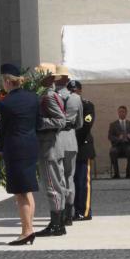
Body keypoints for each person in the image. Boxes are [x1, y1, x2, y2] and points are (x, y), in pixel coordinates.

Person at [0, 64, 39, 246]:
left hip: (14, 148)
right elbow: (39, 122)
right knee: (27, 189)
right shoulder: (34, 98)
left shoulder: (5, 103)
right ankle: (29, 228)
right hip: (30, 146)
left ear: (7, 81)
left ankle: (26, 231)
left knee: (20, 193)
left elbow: (3, 130)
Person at [34, 63, 68, 238]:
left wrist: (39, 122)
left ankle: (56, 224)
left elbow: (61, 121)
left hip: (49, 146)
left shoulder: (47, 96)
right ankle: (59, 222)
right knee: (59, 185)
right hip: (53, 145)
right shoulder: (51, 95)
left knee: (52, 187)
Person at [54, 64, 83, 226]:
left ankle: (61, 211)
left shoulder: (50, 95)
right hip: (71, 138)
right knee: (69, 177)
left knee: (59, 177)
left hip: (56, 138)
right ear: (67, 80)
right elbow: (79, 123)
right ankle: (69, 214)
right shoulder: (76, 98)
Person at [69, 81, 95, 221]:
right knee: (72, 181)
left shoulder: (87, 105)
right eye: (71, 91)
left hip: (83, 147)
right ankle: (75, 210)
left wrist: (70, 137)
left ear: (80, 91)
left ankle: (84, 211)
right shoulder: (66, 104)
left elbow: (86, 125)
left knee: (83, 181)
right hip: (70, 147)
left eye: (76, 91)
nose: (74, 93)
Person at [108, 106, 130, 178]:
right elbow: (110, 137)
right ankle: (116, 173)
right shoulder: (113, 124)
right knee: (112, 152)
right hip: (117, 145)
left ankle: (128, 172)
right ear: (118, 113)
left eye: (123, 112)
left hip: (127, 144)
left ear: (126, 113)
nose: (121, 113)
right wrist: (118, 138)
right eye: (120, 112)